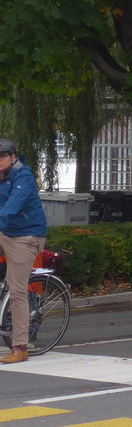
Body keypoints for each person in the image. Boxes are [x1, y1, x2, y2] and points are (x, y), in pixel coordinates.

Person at [0, 138, 48, 364]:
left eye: (2, 156)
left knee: (17, 289)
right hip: (6, 231)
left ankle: (20, 347)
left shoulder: (23, 177)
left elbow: (12, 207)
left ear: (12, 157)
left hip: (26, 235)